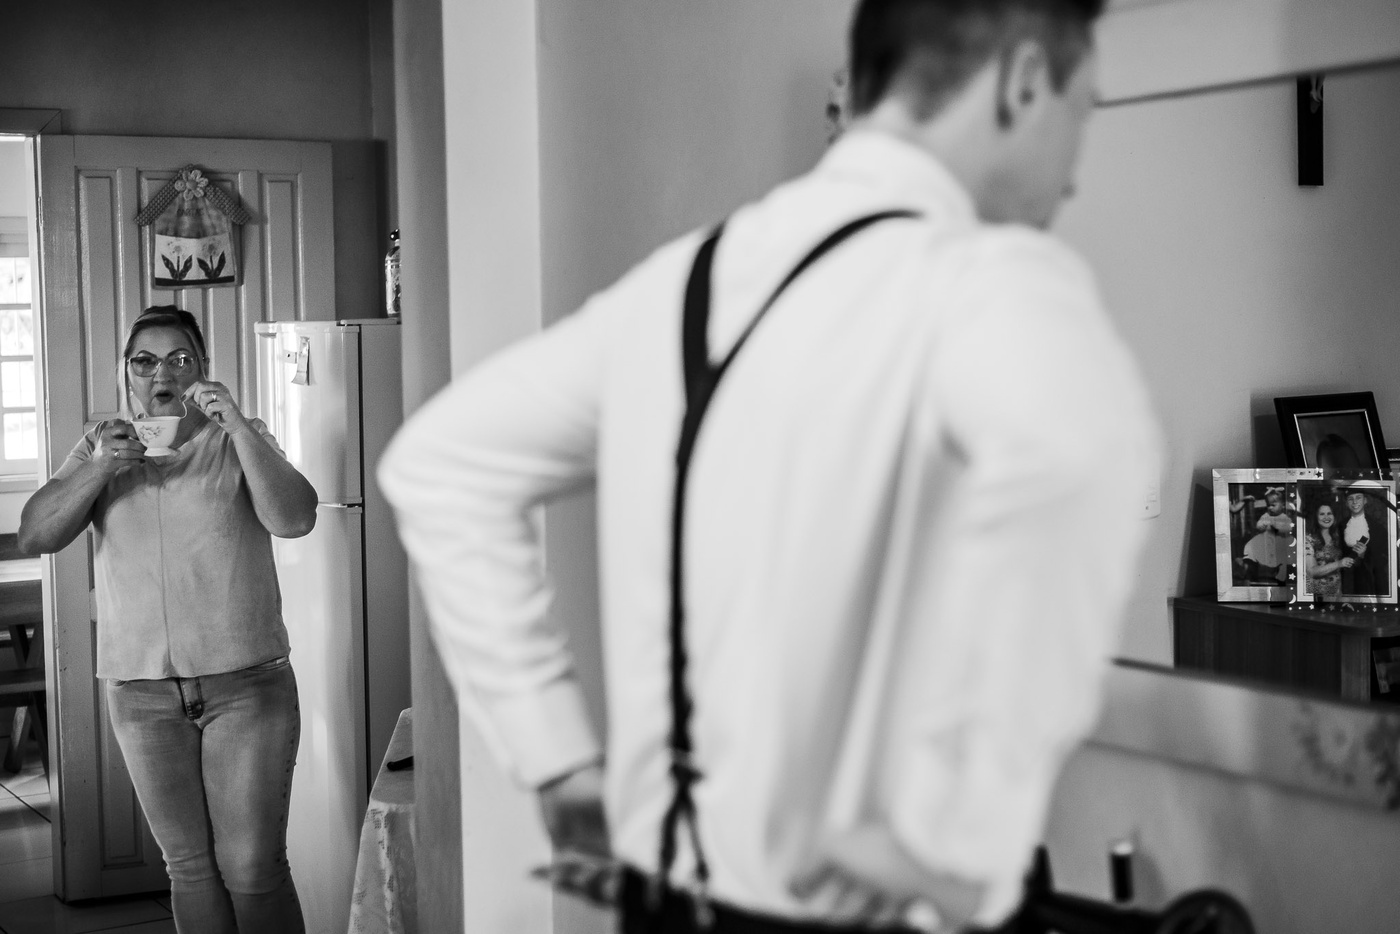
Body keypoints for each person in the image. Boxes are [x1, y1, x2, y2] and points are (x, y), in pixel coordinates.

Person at [380, 0, 1158, 931]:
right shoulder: (982, 278)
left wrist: (553, 752)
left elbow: (439, 463)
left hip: (667, 899)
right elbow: (1088, 466)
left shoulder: (687, 280)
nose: (1074, 173)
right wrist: (956, 837)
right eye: (1084, 109)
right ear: (1025, 80)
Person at [18, 306, 317, 934]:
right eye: (145, 361)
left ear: (203, 369)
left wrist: (237, 424)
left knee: (253, 870)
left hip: (247, 685)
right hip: (141, 692)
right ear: (126, 374)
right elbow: (36, 535)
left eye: (180, 359)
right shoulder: (99, 447)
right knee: (189, 869)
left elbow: (295, 518)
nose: (163, 373)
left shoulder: (239, 437)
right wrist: (101, 467)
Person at [1340, 488, 1386, 596]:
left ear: (1365, 500)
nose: (1354, 502)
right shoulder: (1340, 525)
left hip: (1369, 580)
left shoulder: (1377, 527)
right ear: (1346, 503)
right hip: (1345, 580)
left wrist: (1365, 555)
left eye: (1358, 498)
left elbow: (1384, 557)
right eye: (1350, 499)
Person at [1239, 490, 1292, 583]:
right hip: (1265, 542)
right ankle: (1249, 566)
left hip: (1279, 543)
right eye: (1268, 505)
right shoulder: (1266, 515)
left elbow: (1288, 528)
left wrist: (1277, 526)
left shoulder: (1284, 517)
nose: (1270, 508)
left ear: (1282, 505)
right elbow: (1258, 525)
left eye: (1273, 505)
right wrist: (1261, 525)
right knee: (1252, 546)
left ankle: (1281, 575)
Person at [1304, 501, 1350, 598]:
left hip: (1337, 593)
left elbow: (1348, 563)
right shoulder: (1308, 539)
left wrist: (1359, 553)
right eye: (1322, 514)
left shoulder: (1338, 536)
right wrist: (1339, 564)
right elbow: (1311, 572)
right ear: (1316, 517)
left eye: (1329, 513)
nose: (1326, 517)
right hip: (1317, 595)